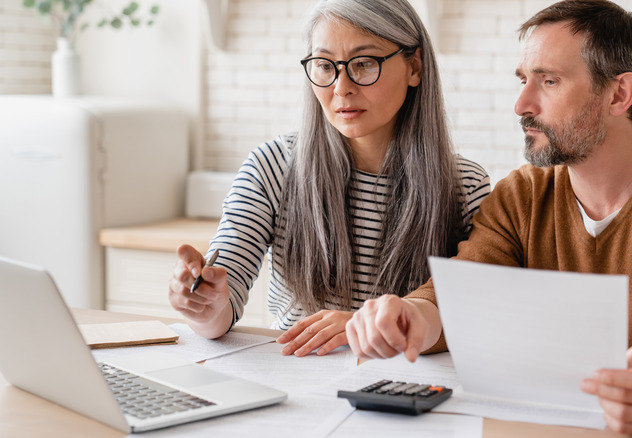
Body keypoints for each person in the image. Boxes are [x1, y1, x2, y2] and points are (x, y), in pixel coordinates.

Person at [345, 0, 632, 435]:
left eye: (549, 81)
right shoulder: (522, 195)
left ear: (619, 94)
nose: (521, 104)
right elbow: (463, 289)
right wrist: (410, 315)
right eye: (523, 80)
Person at [167, 0, 490, 358]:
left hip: (408, 386)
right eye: (324, 66)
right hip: (298, 378)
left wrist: (362, 329)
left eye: (364, 64)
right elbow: (221, 309)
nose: (341, 87)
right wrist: (204, 304)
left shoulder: (466, 185)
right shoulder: (273, 165)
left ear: (414, 67)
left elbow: (472, 316)